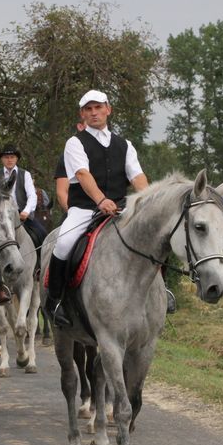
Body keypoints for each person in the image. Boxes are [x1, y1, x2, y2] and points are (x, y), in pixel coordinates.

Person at [46, 90, 149, 326]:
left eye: (98, 107)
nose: (94, 113)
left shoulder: (125, 144)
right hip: (84, 209)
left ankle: (161, 292)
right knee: (63, 243)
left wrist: (147, 200)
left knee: (152, 236)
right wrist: (101, 200)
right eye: (89, 109)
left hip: (120, 209)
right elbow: (82, 174)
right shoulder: (74, 142)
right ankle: (55, 301)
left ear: (108, 110)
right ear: (82, 114)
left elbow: (138, 176)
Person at [0, 144, 47, 248]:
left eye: (12, 157)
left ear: (17, 158)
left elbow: (32, 196)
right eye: (6, 157)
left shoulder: (25, 174)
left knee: (42, 233)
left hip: (22, 216)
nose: (9, 160)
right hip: (1, 216)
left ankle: (41, 262)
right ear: (2, 159)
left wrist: (26, 211)